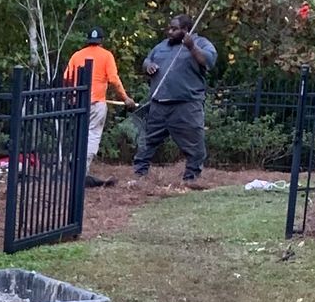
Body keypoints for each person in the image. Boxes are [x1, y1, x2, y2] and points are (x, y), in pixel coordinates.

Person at [135, 14, 218, 183]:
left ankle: (191, 178)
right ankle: (139, 174)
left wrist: (191, 47)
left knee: (194, 145)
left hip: (186, 105)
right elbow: (147, 59)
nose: (169, 32)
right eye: (169, 28)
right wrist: (148, 66)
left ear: (186, 30)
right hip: (159, 104)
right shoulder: (161, 46)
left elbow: (208, 61)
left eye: (174, 29)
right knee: (146, 141)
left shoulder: (201, 43)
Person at [63, 29, 130, 187]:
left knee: (80, 134)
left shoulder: (77, 55)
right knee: (92, 135)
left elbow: (67, 78)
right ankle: (81, 170)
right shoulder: (106, 55)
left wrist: (72, 95)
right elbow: (113, 79)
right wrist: (125, 98)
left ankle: (76, 161)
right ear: (102, 40)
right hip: (97, 103)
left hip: (79, 103)